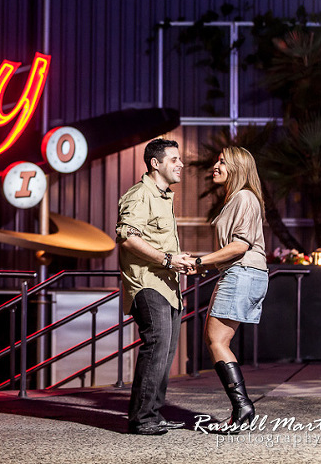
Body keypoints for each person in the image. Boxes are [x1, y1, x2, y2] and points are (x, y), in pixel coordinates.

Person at [116, 138, 194, 435]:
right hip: (147, 285)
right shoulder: (139, 195)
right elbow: (127, 238)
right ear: (155, 163)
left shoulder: (162, 197)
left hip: (167, 286)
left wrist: (177, 260)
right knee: (156, 346)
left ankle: (154, 413)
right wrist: (168, 259)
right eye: (174, 159)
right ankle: (141, 418)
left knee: (165, 351)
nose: (180, 164)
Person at [193, 146, 269, 434]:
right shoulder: (237, 199)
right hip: (240, 272)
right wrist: (202, 264)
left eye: (223, 162)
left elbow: (240, 247)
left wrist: (201, 261)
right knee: (214, 338)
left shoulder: (245, 197)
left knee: (217, 340)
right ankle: (241, 408)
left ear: (237, 167)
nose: (216, 165)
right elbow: (231, 250)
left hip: (243, 273)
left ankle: (242, 408)